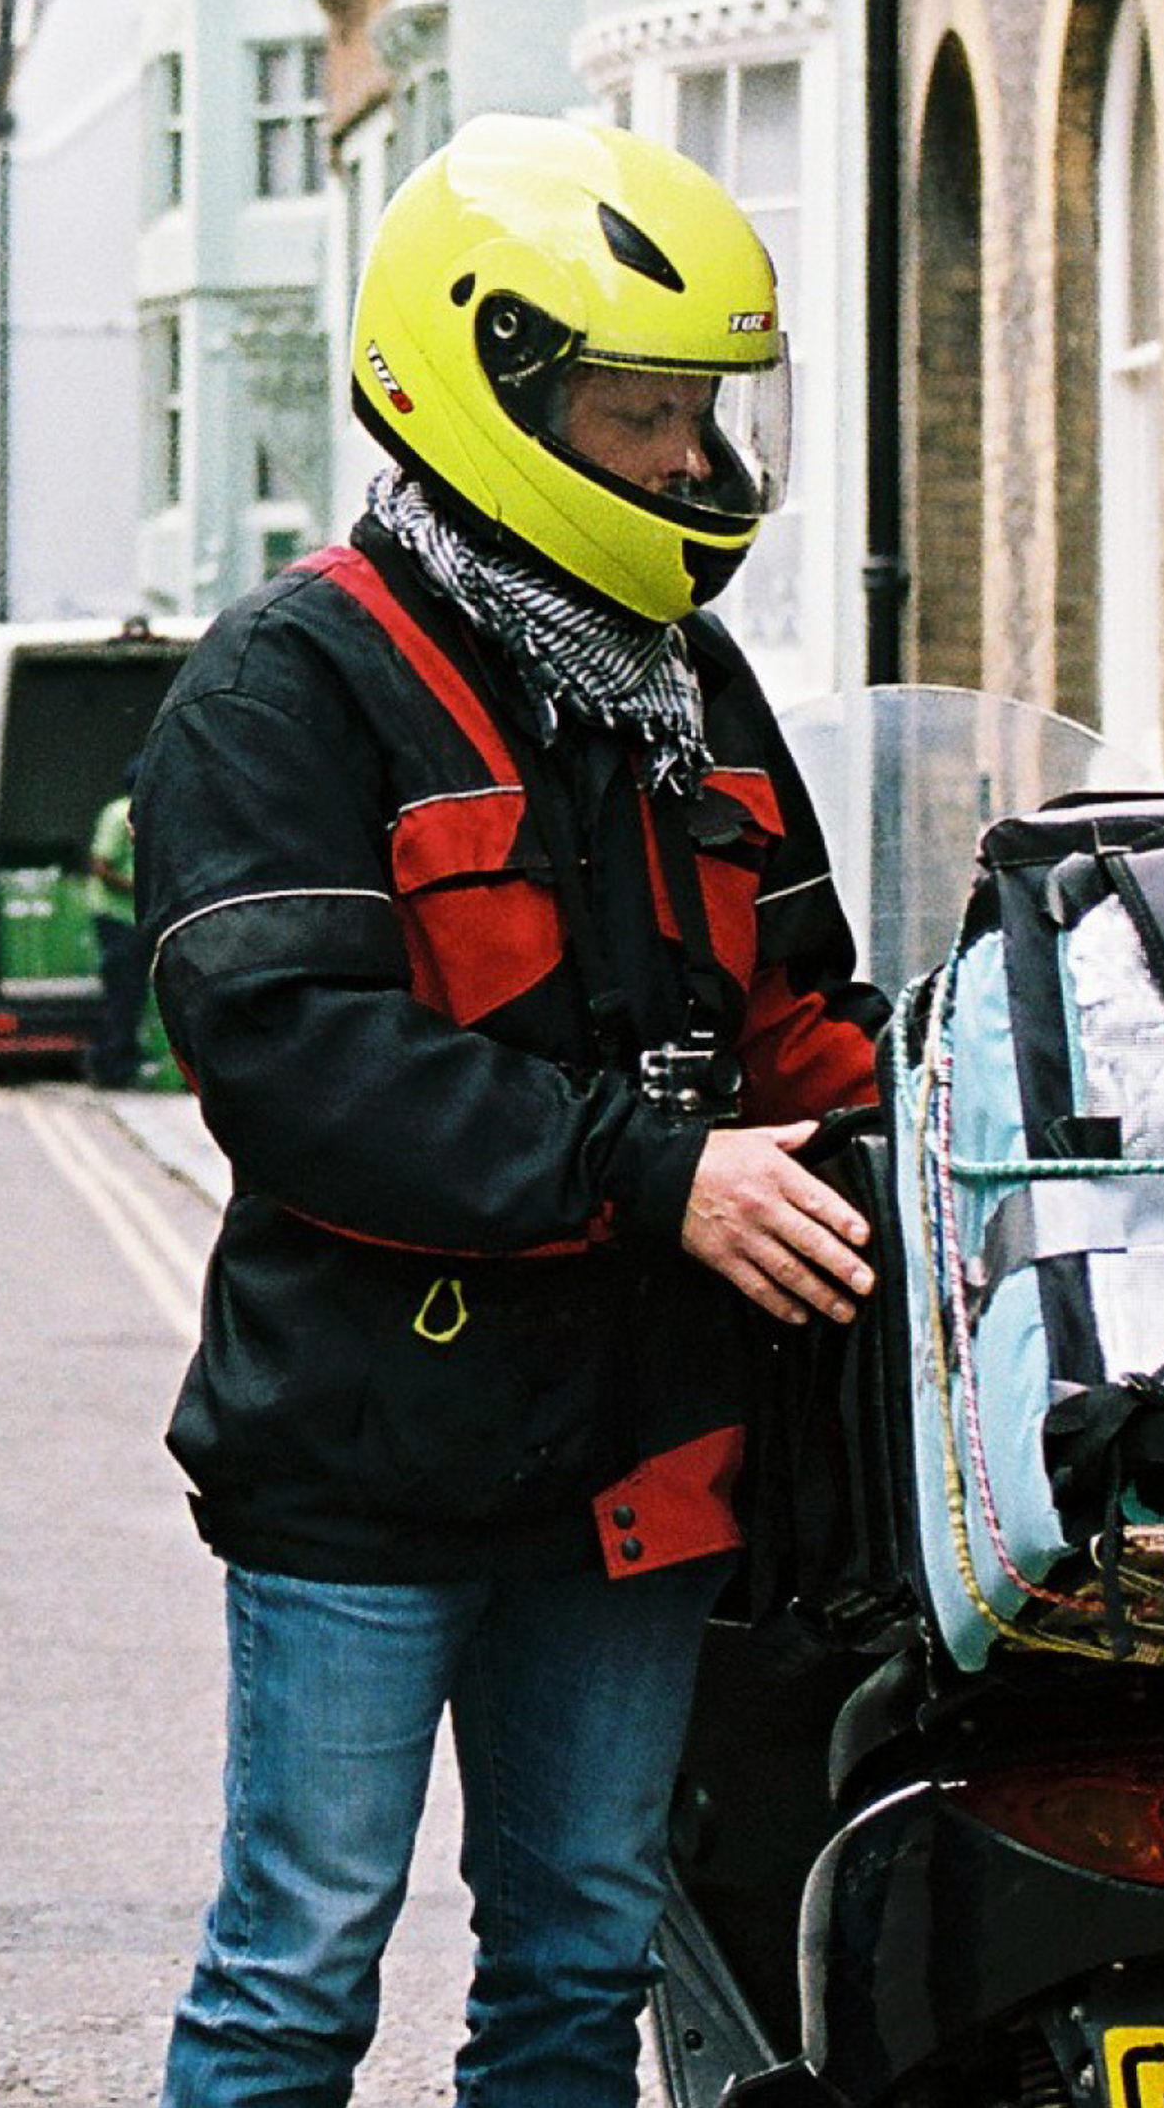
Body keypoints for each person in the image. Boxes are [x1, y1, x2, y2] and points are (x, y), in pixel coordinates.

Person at [136, 116, 885, 2108]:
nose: (696, 463)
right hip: (369, 1456)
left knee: (576, 1963)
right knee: (297, 1970)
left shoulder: (693, 684)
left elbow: (801, 1014)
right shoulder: (289, 685)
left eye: (707, 412)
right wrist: (657, 1171)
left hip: (640, 1453)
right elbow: (301, 1067)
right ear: (491, 390)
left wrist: (971, 1120)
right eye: (645, 413)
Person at [84, 762, 144, 1089]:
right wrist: (139, 887)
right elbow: (101, 865)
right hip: (117, 915)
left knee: (129, 992)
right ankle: (110, 1066)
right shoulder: (121, 813)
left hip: (131, 916)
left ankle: (117, 1063)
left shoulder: (139, 812)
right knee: (123, 990)